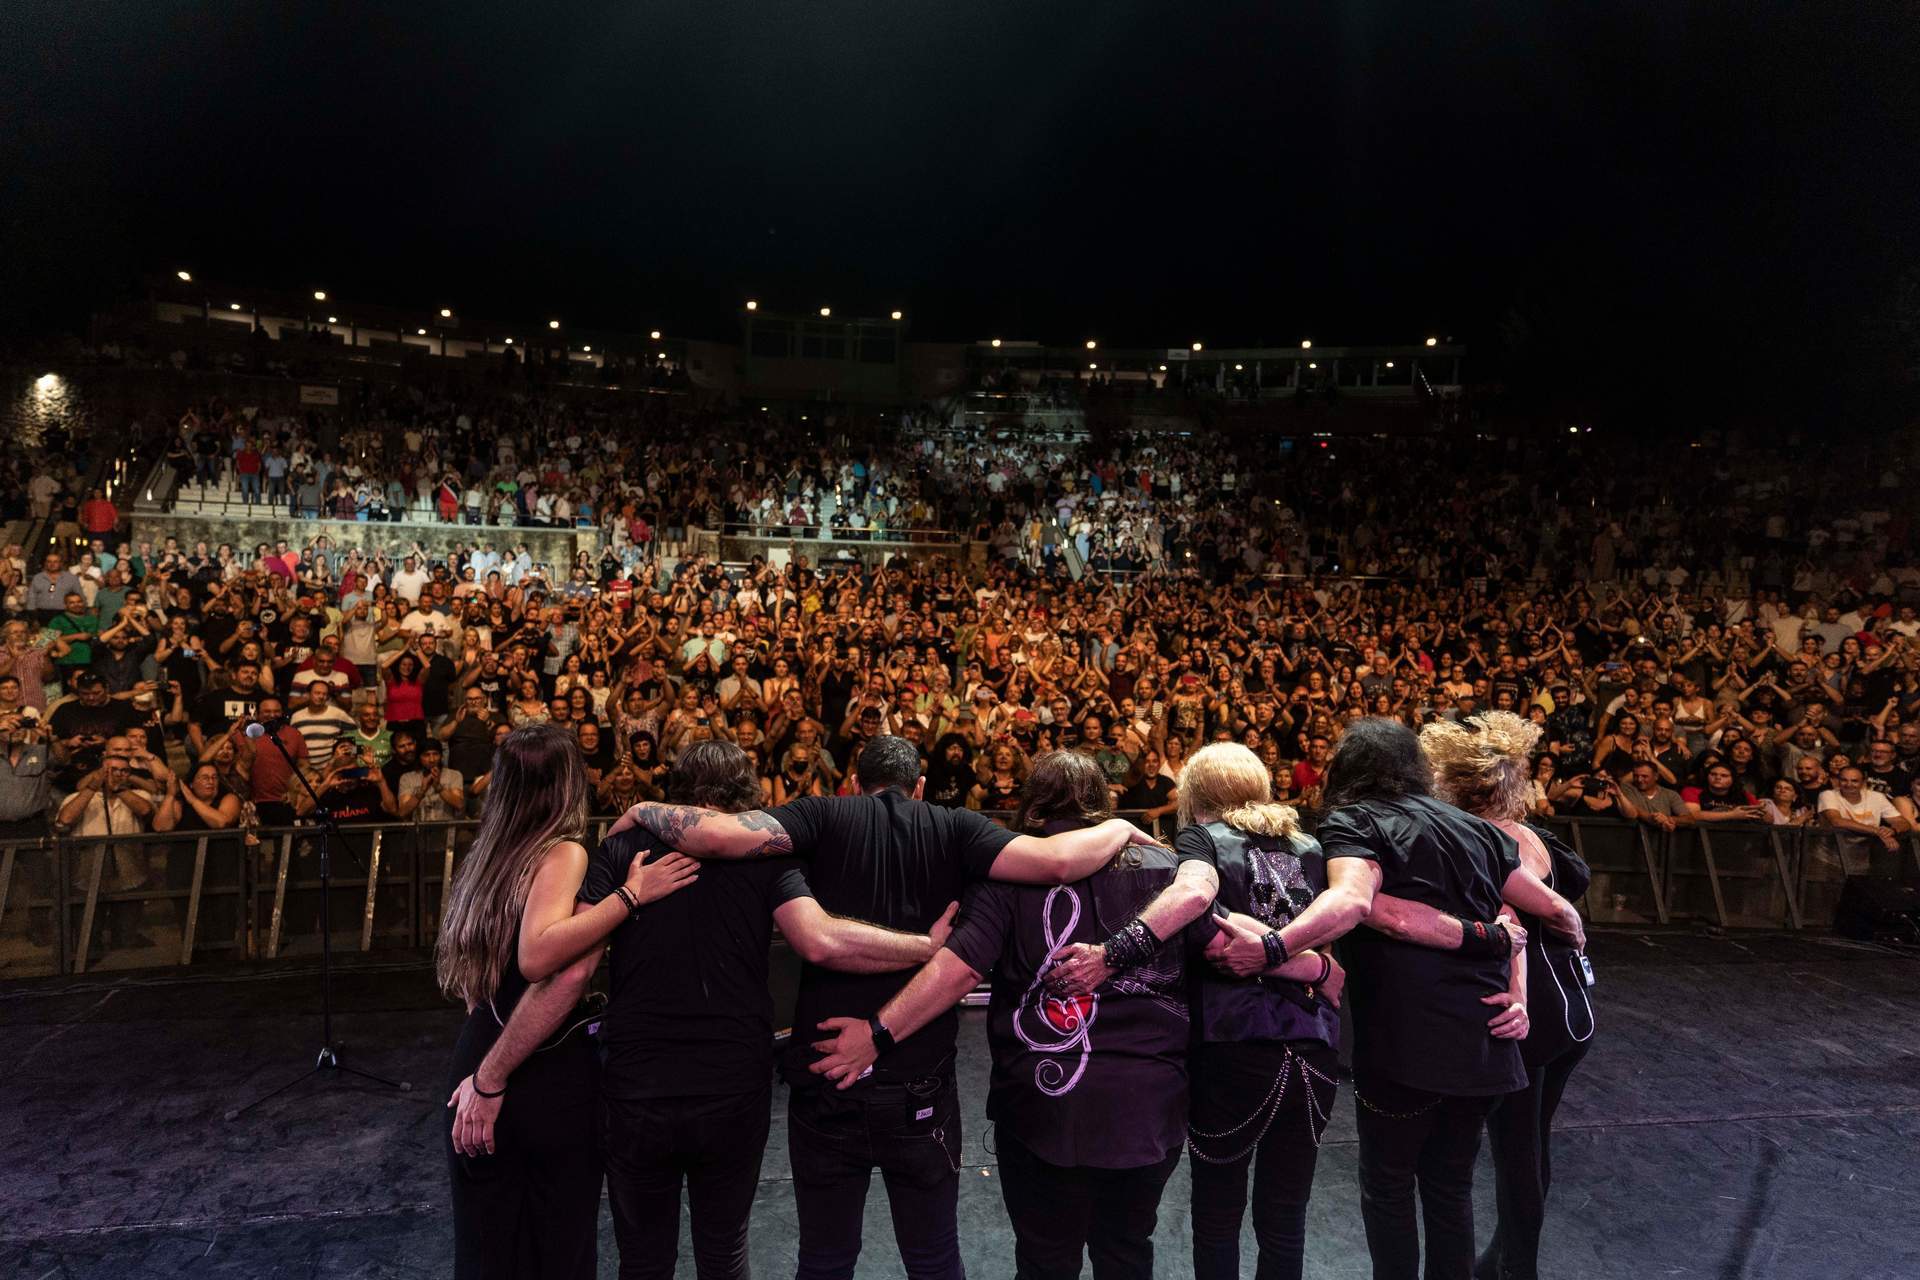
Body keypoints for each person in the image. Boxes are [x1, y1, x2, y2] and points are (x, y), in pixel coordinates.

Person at [601, 735, 1161, 1280]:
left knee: (823, 1260)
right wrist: (1117, 826)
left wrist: (647, 806)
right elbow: (1056, 862)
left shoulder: (820, 815)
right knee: (935, 1260)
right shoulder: (955, 824)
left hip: (825, 1071)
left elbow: (722, 838)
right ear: (919, 785)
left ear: (852, 782)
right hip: (919, 1076)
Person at [809, 751, 1217, 1280]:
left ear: (1032, 804)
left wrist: (877, 1034)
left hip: (1043, 1109)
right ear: (1104, 801)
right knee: (1127, 1251)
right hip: (1147, 1107)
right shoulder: (1166, 868)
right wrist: (1310, 965)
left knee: (1046, 1258)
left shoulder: (1010, 874)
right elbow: (1229, 947)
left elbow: (956, 970)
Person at [573, 741, 954, 1280]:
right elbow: (819, 940)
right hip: (731, 1081)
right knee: (724, 1251)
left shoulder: (622, 846)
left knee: (642, 1259)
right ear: (744, 793)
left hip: (638, 1080)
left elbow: (572, 960)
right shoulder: (766, 854)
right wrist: (924, 947)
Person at [1250, 718, 1584, 1280]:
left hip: (1404, 1042)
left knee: (1388, 1185)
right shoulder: (1478, 830)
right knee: (1449, 1186)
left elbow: (1353, 902)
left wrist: (1272, 948)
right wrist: (1527, 980)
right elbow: (1552, 911)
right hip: (1483, 1042)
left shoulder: (1354, 819)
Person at [438, 724, 698, 1280]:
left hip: (479, 1054)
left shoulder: (486, 857)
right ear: (567, 783)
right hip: (535, 1074)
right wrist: (630, 896)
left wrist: (480, 1068)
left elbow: (474, 985)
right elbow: (539, 958)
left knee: (486, 1251)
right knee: (558, 1249)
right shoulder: (562, 853)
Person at [1419, 713, 1597, 1280]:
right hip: (1572, 1008)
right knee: (1530, 1143)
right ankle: (1505, 1257)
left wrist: (1516, 995)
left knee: (1516, 1149)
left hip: (1528, 1010)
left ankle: (1518, 1267)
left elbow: (1510, 926)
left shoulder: (1483, 841)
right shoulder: (1533, 835)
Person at [1162, 744, 1349, 1280]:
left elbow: (1206, 932)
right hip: (1314, 1040)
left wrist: (1268, 954)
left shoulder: (1201, 839)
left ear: (1198, 794)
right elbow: (1335, 939)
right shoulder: (1310, 844)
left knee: (1218, 1216)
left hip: (1233, 1043)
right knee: (1286, 1217)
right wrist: (1312, 966)